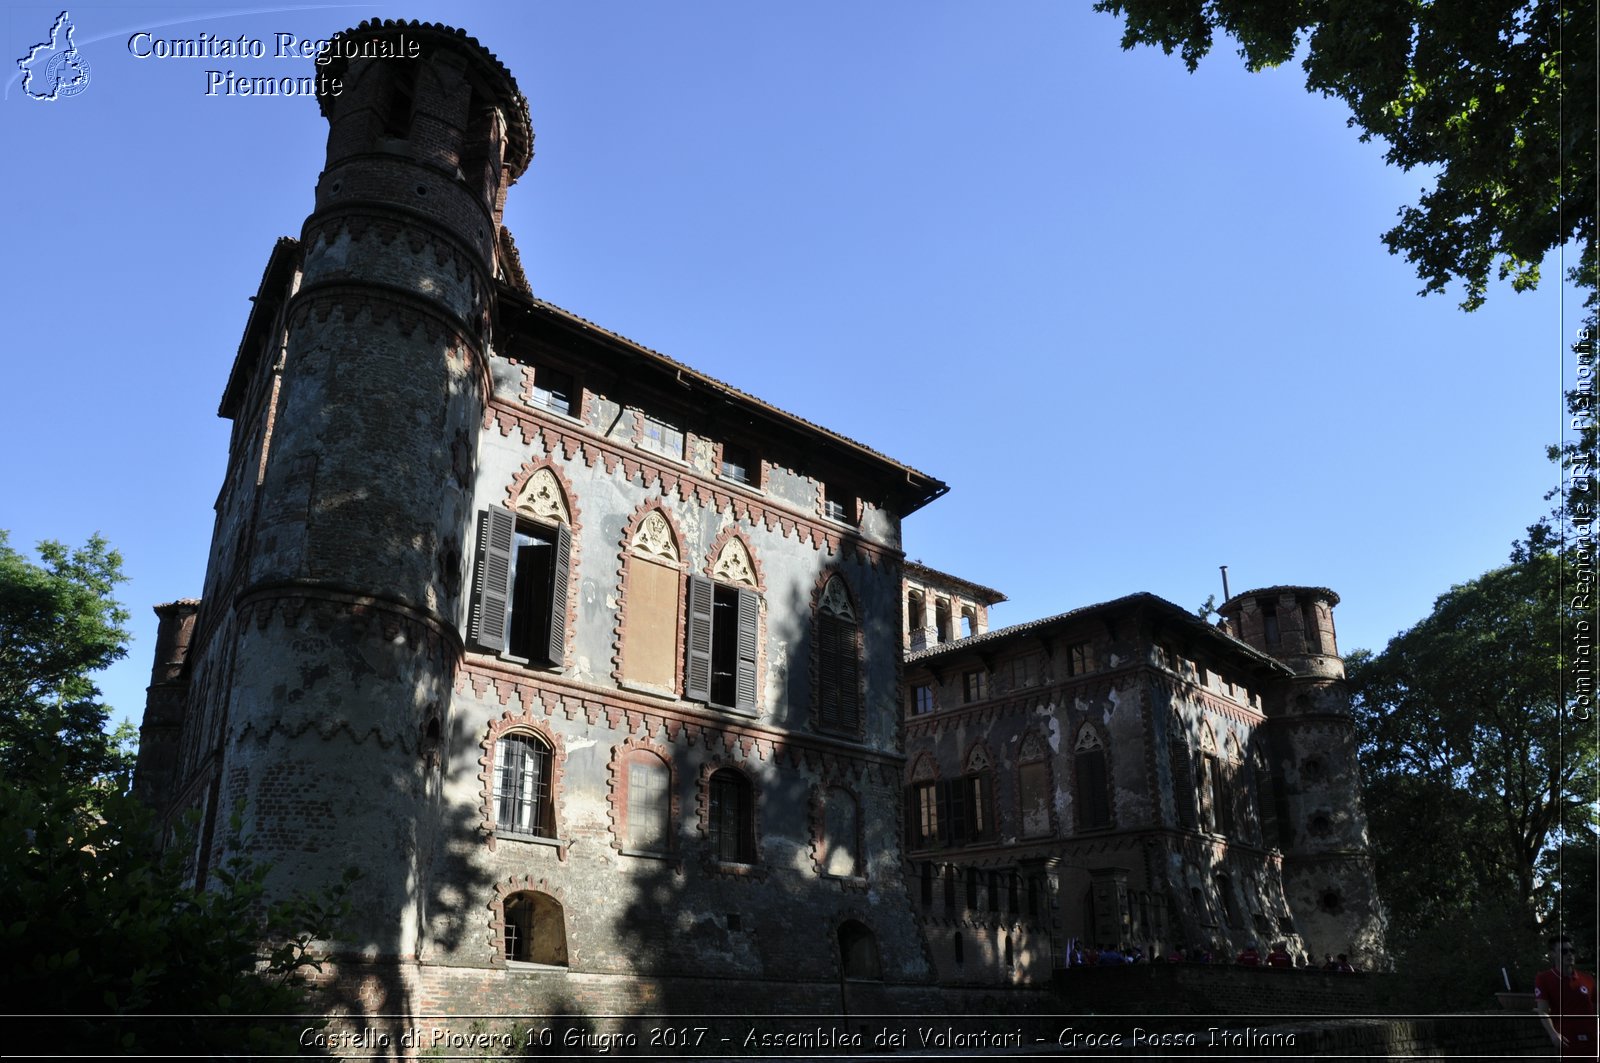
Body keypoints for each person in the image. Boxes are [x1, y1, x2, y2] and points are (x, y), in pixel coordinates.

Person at [1535, 934, 1597, 1058]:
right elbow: (1543, 1011)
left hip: (1593, 1041)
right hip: (1568, 1042)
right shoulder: (1544, 979)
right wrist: (1553, 1034)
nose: (1569, 954)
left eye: (1571, 950)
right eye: (1564, 951)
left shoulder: (1587, 979)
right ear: (1552, 954)